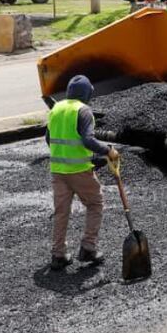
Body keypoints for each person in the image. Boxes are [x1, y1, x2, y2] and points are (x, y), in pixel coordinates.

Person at [46, 75, 120, 271]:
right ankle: (88, 247)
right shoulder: (83, 110)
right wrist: (108, 151)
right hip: (78, 170)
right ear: (87, 94)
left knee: (61, 212)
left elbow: (48, 138)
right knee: (95, 204)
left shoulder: (56, 108)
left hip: (57, 170)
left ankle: (58, 255)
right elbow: (88, 139)